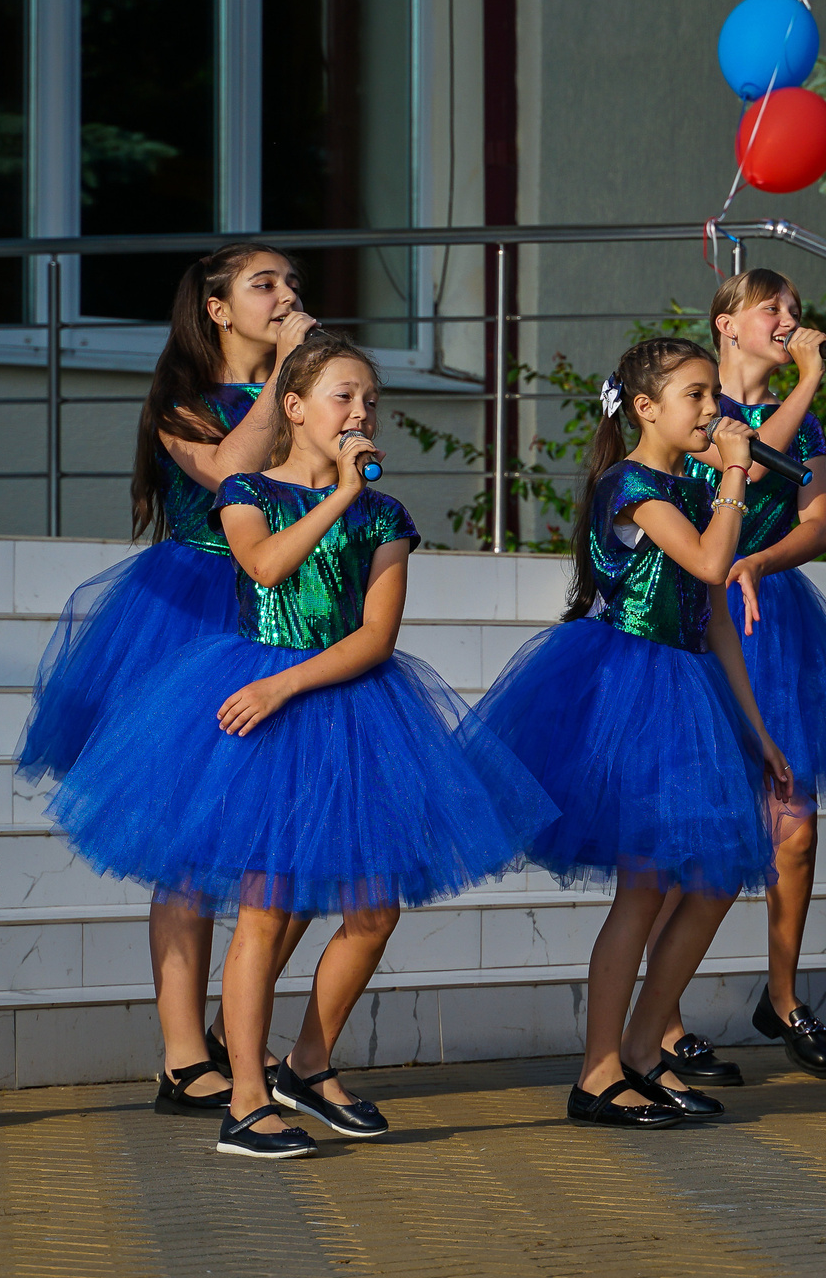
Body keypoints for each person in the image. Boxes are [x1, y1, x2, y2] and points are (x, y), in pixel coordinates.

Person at [50, 333, 548, 1157]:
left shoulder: (386, 515)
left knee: (374, 906)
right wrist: (335, 499)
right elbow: (268, 567)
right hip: (260, 703)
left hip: (343, 704)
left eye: (370, 402)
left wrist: (292, 680)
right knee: (266, 903)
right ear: (296, 407)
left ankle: (308, 1063)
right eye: (343, 398)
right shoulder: (246, 489)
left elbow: (377, 637)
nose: (360, 415)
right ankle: (245, 1099)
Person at [16, 243, 314, 1117]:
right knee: (189, 848)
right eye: (266, 285)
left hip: (287, 613)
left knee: (290, 844)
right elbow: (230, 471)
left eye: (292, 285)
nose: (286, 296)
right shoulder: (182, 402)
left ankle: (235, 1026)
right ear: (218, 308)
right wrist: (290, 376)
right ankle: (186, 1055)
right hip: (190, 611)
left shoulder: (301, 388)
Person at [472, 337, 792, 1129]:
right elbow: (716, 565)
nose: (713, 410)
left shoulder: (690, 488)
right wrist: (735, 472)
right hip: (632, 687)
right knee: (644, 887)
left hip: (691, 690)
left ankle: (647, 1049)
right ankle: (598, 1071)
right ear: (646, 407)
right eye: (695, 395)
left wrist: (758, 729)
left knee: (715, 879)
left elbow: (716, 617)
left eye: (715, 394)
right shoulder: (634, 485)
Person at [652, 269, 826, 1084]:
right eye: (773, 309)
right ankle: (659, 1023)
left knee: (794, 827)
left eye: (797, 312)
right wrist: (807, 380)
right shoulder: (703, 411)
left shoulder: (801, 423)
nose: (789, 321)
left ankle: (783, 994)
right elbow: (753, 469)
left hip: (774, 623)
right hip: (690, 625)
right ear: (727, 323)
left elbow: (819, 516)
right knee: (688, 830)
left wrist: (763, 560)